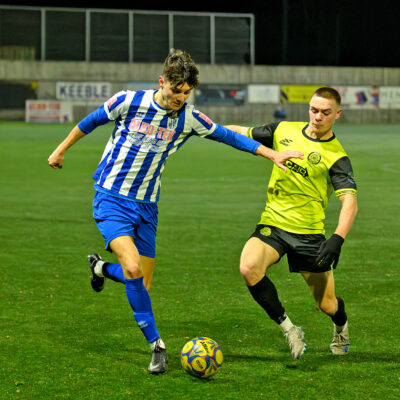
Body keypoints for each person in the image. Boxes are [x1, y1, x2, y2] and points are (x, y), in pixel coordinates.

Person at [48, 49, 302, 374]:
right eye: (176, 90)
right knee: (133, 268)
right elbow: (91, 121)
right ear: (162, 82)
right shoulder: (128, 101)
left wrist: (271, 154)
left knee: (140, 282)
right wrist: (60, 150)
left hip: (147, 207)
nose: (180, 98)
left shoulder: (189, 118)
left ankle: (99, 269)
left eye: (186, 92)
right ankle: (157, 347)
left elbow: (228, 136)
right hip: (111, 199)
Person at [226, 86, 358, 359]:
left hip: (309, 234)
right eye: (314, 110)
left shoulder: (337, 157)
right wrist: (206, 127)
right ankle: (290, 329)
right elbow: (242, 132)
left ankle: (341, 326)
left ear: (337, 114)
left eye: (325, 112)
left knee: (327, 305)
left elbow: (350, 203)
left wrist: (337, 239)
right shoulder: (283, 130)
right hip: (273, 224)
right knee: (249, 267)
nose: (318, 117)